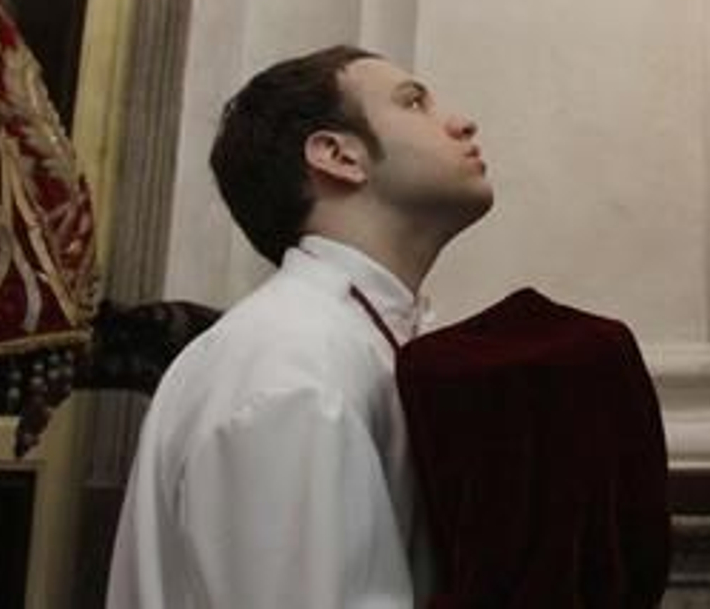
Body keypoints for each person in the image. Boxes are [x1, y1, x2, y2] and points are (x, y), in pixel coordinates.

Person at [106, 45, 493, 608]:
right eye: (414, 103)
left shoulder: (349, 338)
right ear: (338, 155)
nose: (460, 121)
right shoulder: (290, 365)